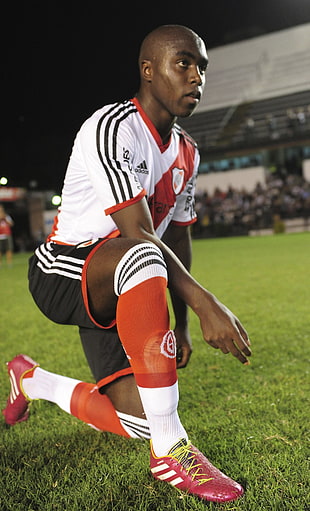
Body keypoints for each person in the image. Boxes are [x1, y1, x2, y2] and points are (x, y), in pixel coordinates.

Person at [3, 25, 251, 503]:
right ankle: (173, 449)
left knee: (137, 419)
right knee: (140, 251)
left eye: (202, 66)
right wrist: (204, 303)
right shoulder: (113, 127)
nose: (196, 76)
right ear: (148, 70)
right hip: (65, 271)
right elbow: (140, 235)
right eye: (183, 63)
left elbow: (178, 233)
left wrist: (181, 324)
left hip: (126, 282)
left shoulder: (189, 152)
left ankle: (31, 379)